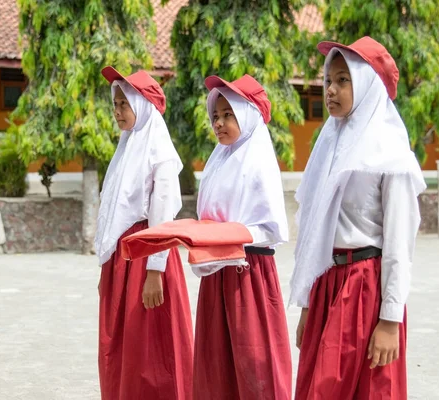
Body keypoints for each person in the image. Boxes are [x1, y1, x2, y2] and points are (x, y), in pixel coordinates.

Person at [291, 37, 427, 400]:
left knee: (366, 391)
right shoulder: (329, 145)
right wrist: (307, 303)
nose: (331, 90)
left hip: (366, 288)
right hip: (327, 285)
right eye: (328, 81)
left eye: (343, 80)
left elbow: (400, 241)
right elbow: (314, 231)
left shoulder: (389, 153)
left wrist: (389, 320)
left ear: (366, 83)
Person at [95, 66, 193, 400]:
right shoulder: (126, 149)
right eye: (116, 103)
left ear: (143, 106)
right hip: (122, 262)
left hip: (148, 258)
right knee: (121, 347)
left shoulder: (159, 152)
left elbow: (162, 215)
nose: (118, 111)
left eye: (125, 103)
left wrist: (155, 270)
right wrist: (105, 268)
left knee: (150, 350)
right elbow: (112, 212)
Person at [192, 74, 292, 400]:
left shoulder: (258, 161)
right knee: (216, 366)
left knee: (256, 367)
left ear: (246, 115)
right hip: (217, 273)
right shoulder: (219, 161)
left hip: (250, 275)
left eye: (228, 115)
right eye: (215, 116)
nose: (219, 123)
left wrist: (232, 233)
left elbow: (272, 227)